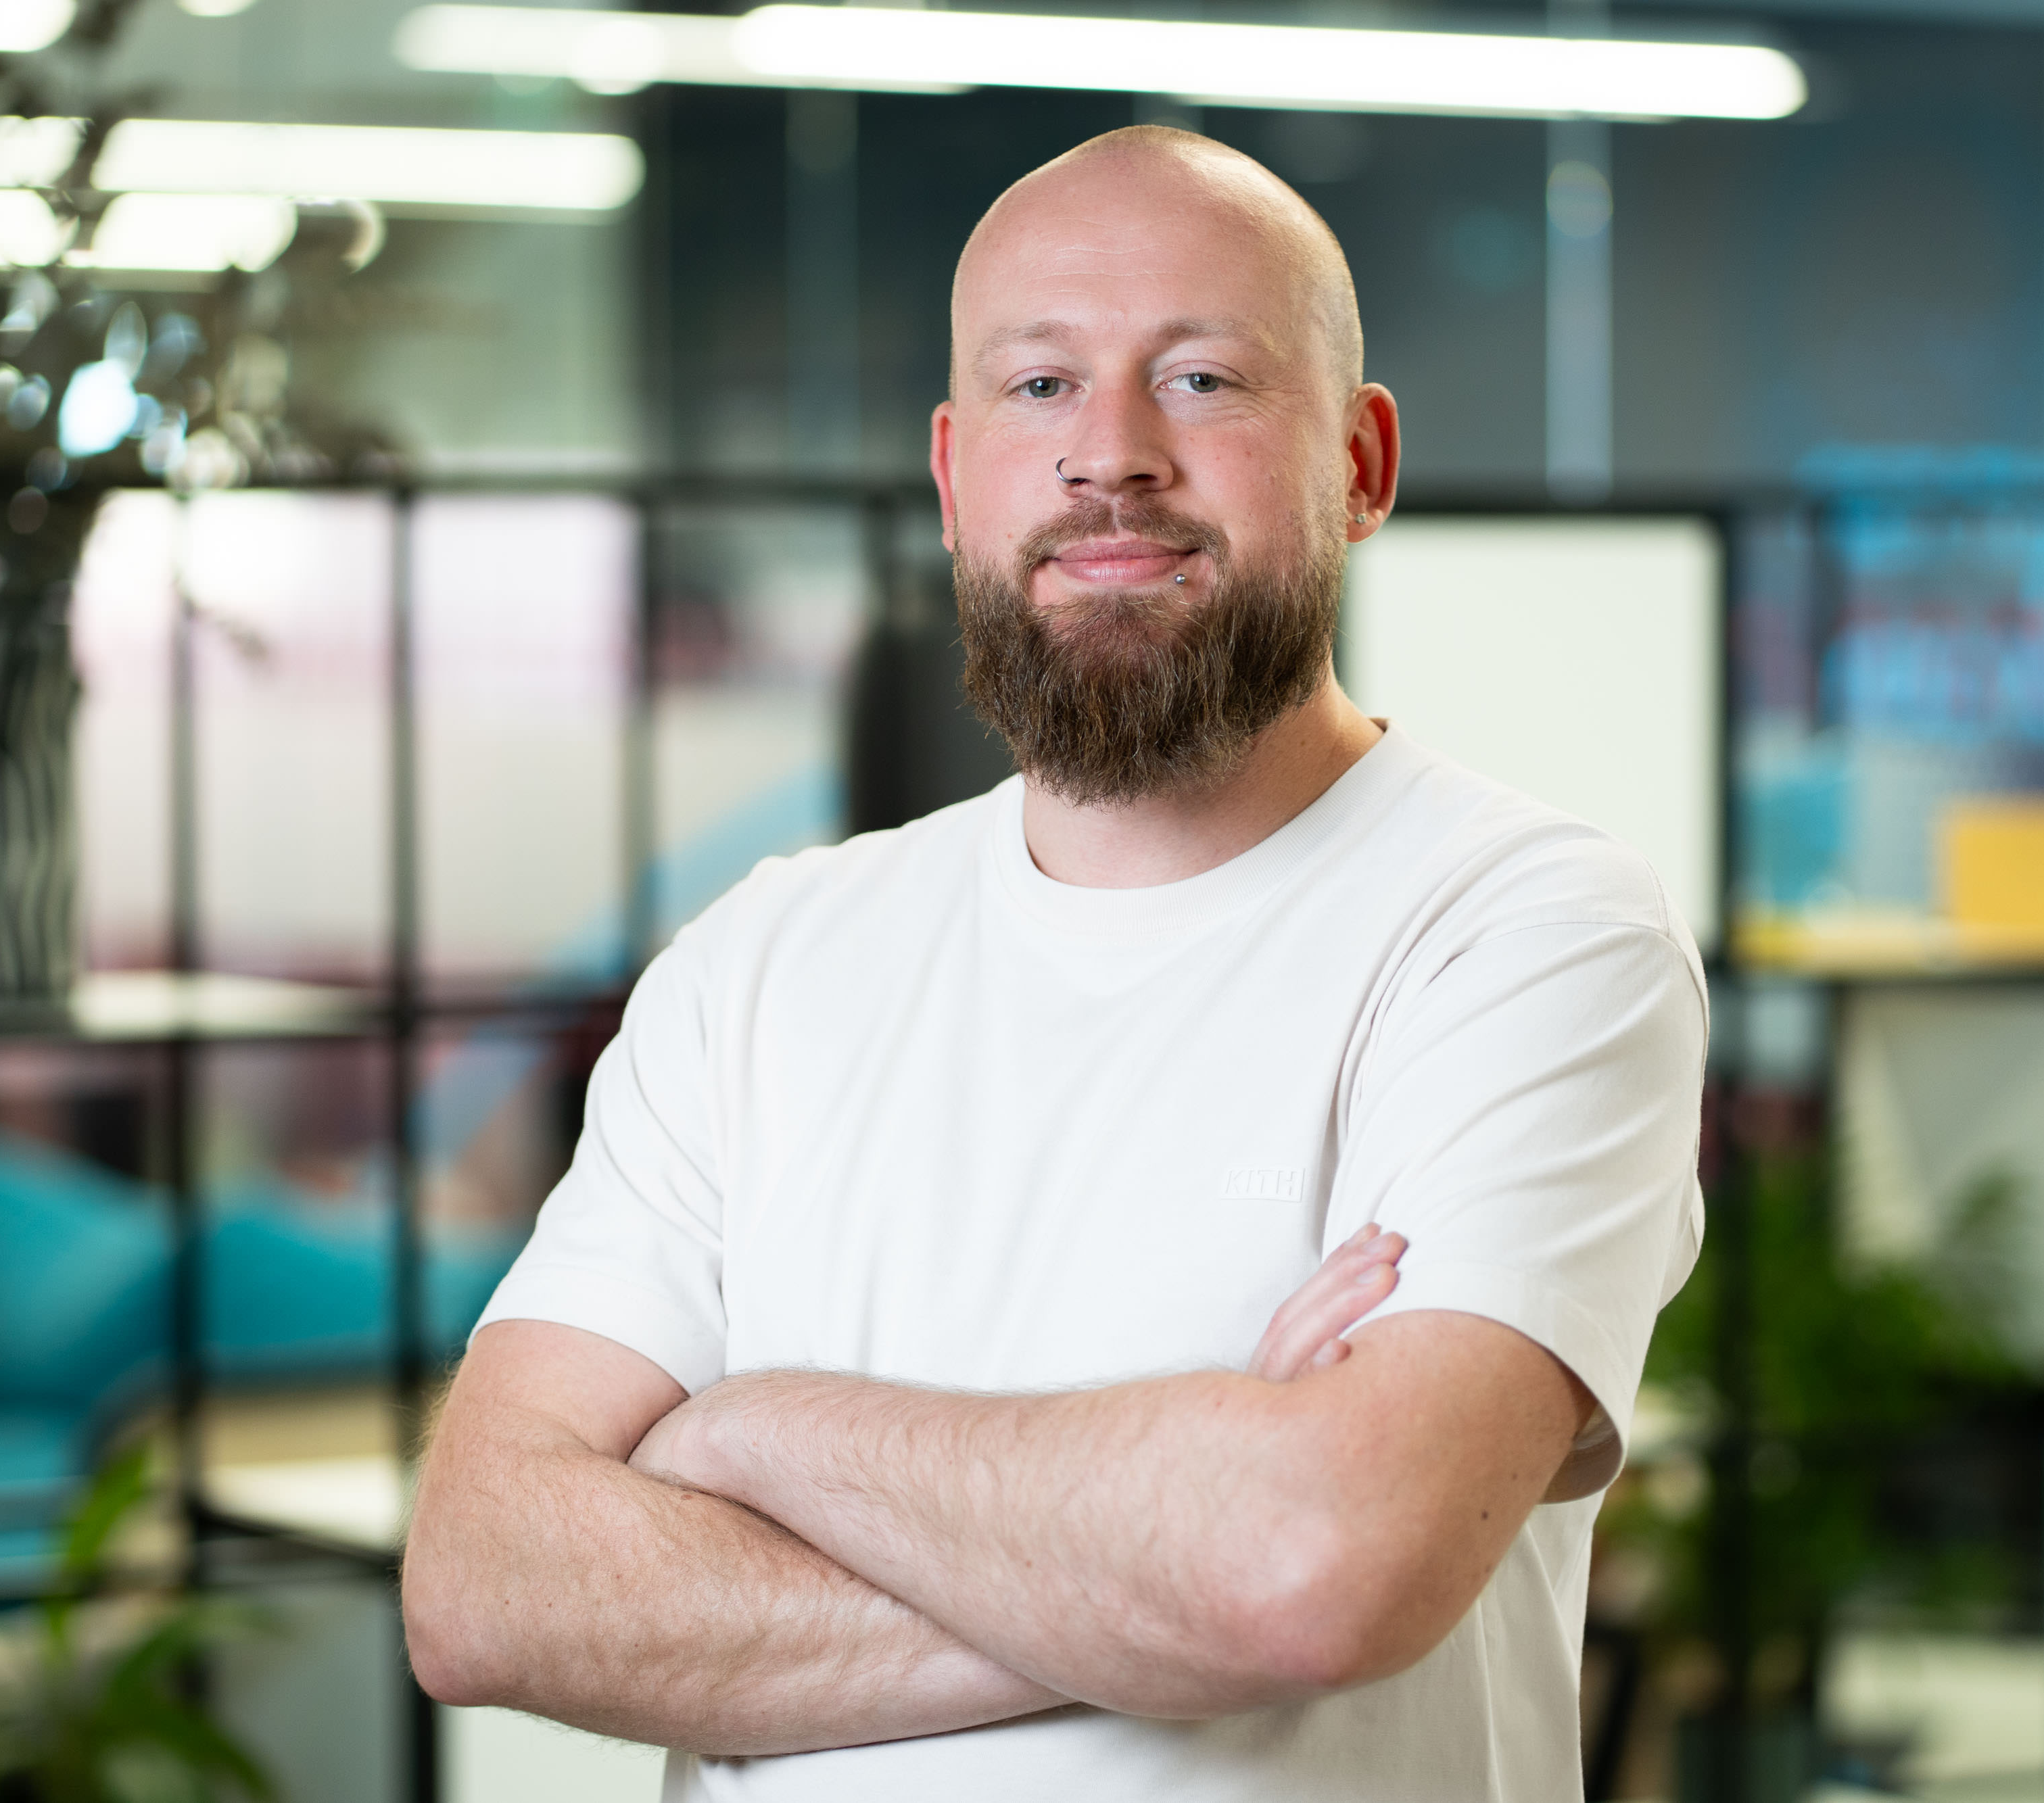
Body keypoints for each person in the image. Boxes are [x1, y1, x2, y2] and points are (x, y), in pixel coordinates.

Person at [402, 124, 1706, 1802]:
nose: (1111, 456)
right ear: (953, 476)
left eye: (1204, 379)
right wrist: (1175, 1562)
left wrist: (749, 1434)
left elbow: (1321, 1565)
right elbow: (485, 1585)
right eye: (1038, 387)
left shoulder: (1525, 933)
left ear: (1362, 464)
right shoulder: (760, 963)